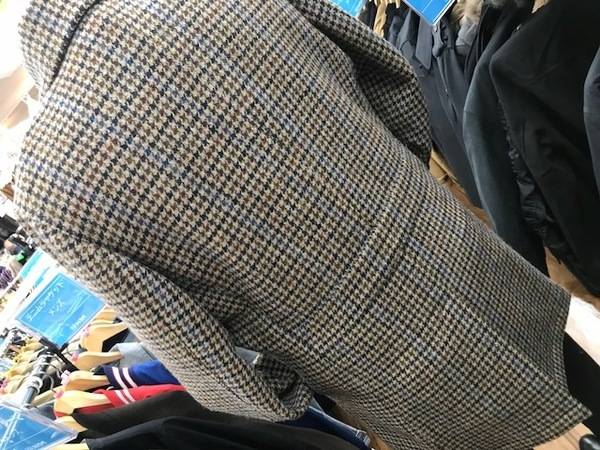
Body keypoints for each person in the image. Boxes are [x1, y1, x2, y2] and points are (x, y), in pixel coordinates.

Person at [13, 0, 595, 448]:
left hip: (381, 373)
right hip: (467, 256)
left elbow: (198, 350)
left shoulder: (48, 189)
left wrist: (288, 396)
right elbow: (390, 75)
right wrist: (401, 189)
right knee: (574, 367)